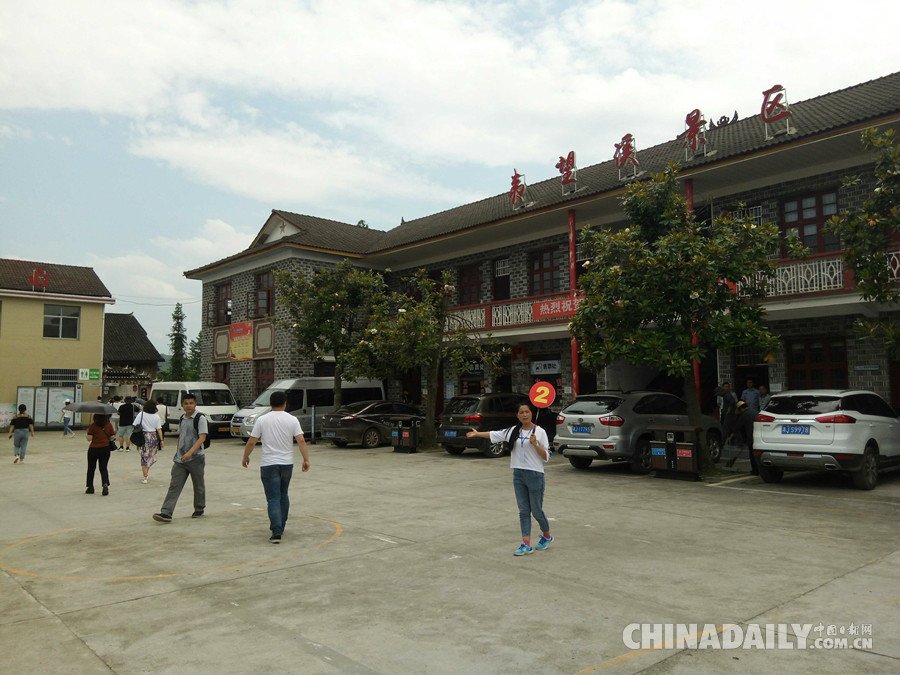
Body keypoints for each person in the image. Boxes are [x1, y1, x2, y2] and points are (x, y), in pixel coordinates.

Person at [466, 403, 552, 556]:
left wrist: (536, 444)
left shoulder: (540, 432)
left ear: (531, 414)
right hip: (518, 474)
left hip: (535, 475)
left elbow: (546, 457)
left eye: (527, 412)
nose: (524, 415)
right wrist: (477, 434)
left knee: (536, 510)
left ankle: (547, 536)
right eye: (521, 412)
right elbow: (495, 434)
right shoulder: (513, 431)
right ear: (517, 415)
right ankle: (526, 544)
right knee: (523, 511)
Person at [242, 391, 310, 544]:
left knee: (273, 497)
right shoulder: (292, 420)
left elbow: (252, 441)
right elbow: (301, 441)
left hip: (268, 463)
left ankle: (276, 531)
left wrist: (246, 456)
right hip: (286, 463)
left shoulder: (262, 420)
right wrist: (306, 459)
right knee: (283, 494)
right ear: (285, 404)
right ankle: (282, 525)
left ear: (270, 404)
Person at [152, 393, 208, 523]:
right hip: (180, 459)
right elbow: (181, 436)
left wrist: (190, 452)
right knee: (174, 485)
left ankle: (199, 508)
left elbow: (202, 438)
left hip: (196, 458)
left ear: (195, 404)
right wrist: (179, 452)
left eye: (191, 403)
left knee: (198, 485)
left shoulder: (200, 418)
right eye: (186, 403)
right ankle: (166, 512)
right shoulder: (182, 418)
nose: (188, 406)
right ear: (182, 405)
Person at [134, 400, 164, 484]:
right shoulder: (156, 417)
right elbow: (159, 429)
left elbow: (135, 424)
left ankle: (145, 476)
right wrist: (161, 440)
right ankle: (146, 473)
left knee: (144, 456)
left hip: (143, 437)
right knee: (150, 456)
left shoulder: (141, 414)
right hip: (153, 437)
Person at [85, 414, 115, 495]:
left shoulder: (93, 426)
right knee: (103, 468)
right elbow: (113, 436)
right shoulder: (109, 425)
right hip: (105, 449)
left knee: (91, 468)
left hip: (93, 449)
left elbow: (89, 439)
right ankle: (105, 484)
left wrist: (88, 432)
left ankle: (90, 487)